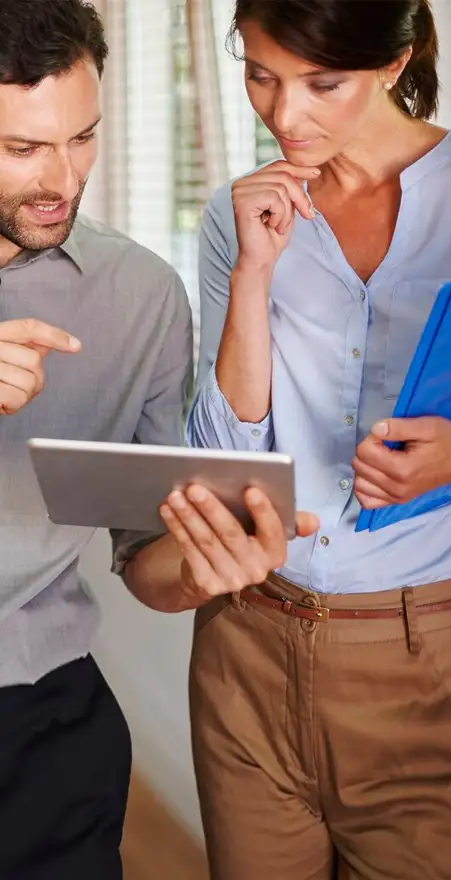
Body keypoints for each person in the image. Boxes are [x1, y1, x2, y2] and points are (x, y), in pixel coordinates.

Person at [1, 1, 315, 877]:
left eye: (84, 137)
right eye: (22, 149)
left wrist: (204, 567)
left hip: (45, 721)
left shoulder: (139, 295)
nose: (63, 179)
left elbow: (143, 555)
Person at [184, 0, 451, 877]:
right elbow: (226, 460)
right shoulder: (238, 216)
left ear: (393, 65)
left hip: (428, 663)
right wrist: (253, 274)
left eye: (322, 84)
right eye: (261, 75)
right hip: (246, 646)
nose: (283, 115)